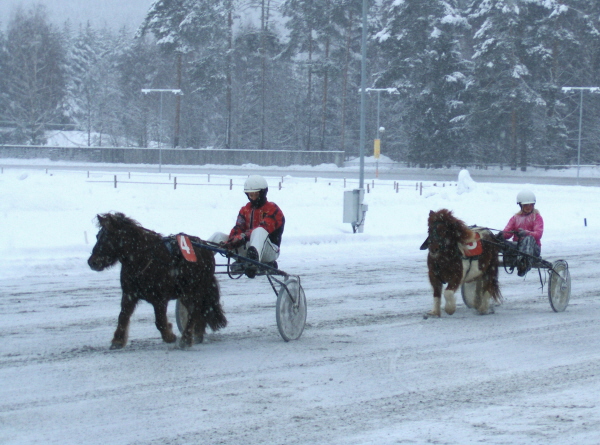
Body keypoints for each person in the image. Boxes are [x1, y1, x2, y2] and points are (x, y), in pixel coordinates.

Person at [208, 175, 285, 278]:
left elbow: (265, 227)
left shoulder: (273, 209)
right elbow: (238, 228)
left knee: (259, 231)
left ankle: (253, 263)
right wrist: (232, 241)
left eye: (255, 195)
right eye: (250, 195)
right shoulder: (245, 210)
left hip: (268, 251)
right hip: (247, 249)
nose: (253, 198)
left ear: (262, 193)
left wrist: (243, 237)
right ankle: (200, 259)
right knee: (218, 236)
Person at [497, 189, 544, 277]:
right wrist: (501, 235)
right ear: (520, 205)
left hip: (533, 250)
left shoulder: (537, 217)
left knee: (528, 239)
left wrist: (526, 233)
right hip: (518, 249)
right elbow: (507, 234)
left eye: (531, 204)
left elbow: (538, 235)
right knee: (499, 242)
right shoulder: (515, 218)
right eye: (525, 205)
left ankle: (524, 264)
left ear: (533, 205)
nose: (528, 207)